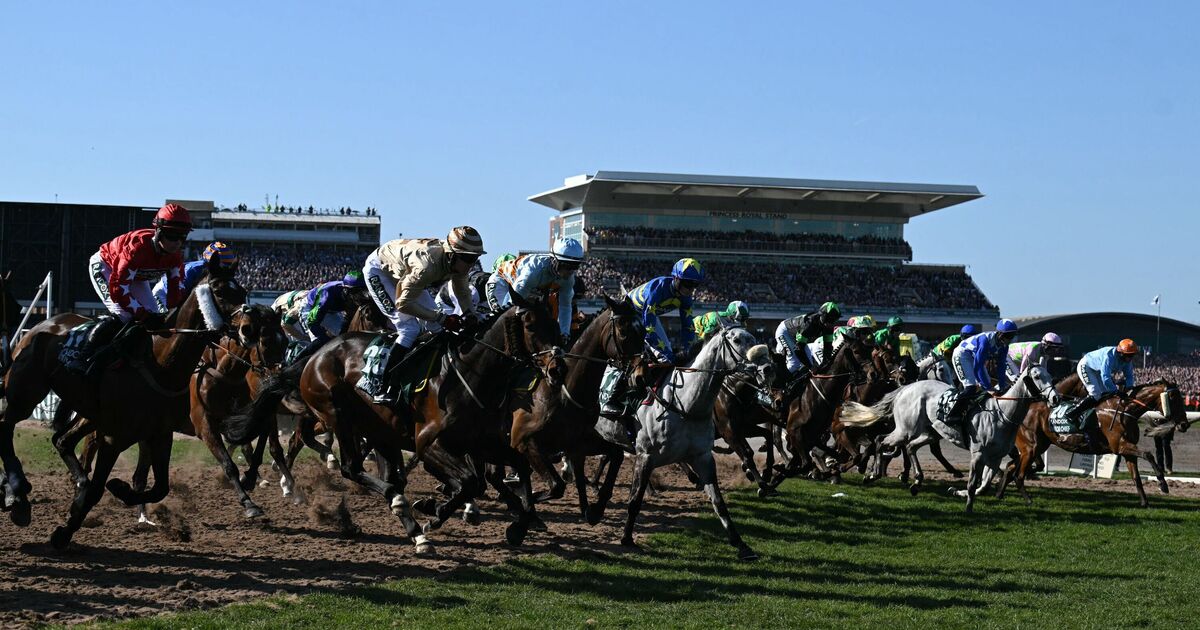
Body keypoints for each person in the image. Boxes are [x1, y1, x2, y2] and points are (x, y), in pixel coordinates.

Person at [363, 226, 486, 404]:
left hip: (406, 272)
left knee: (435, 327)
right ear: (451, 255)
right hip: (380, 271)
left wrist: (470, 314)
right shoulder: (426, 266)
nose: (471, 264)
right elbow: (403, 304)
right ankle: (385, 385)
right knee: (409, 329)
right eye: (467, 258)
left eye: (475, 258)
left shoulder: (456, 263)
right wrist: (441, 317)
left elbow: (462, 292)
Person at [484, 237, 584, 343]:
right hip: (502, 283)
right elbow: (510, 306)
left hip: (523, 289)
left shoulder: (568, 279)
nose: (570, 272)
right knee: (503, 323)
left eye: (575, 266)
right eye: (566, 266)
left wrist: (565, 333)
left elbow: (565, 306)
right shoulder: (533, 273)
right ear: (554, 260)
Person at [629, 258, 704, 364]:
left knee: (667, 349)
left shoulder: (686, 298)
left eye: (695, 285)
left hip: (646, 314)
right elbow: (648, 328)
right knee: (664, 355)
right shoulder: (657, 290)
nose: (691, 289)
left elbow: (688, 327)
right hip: (629, 310)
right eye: (688, 284)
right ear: (676, 278)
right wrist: (667, 354)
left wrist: (689, 353)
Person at [945, 319, 1019, 425]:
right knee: (971, 387)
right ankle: (952, 415)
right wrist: (988, 388)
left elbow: (1001, 367)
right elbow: (978, 366)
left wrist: (1002, 386)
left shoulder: (1004, 346)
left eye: (1012, 335)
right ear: (1000, 334)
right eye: (1009, 335)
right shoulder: (985, 341)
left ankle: (975, 409)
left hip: (973, 357)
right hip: (962, 355)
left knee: (989, 384)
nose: (1010, 338)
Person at [1065, 339, 1139, 422]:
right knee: (1096, 394)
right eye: (1128, 355)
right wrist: (1116, 391)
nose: (1130, 358)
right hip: (1086, 366)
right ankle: (1071, 414)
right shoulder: (1109, 356)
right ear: (1120, 353)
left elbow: (1129, 376)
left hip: (1098, 371)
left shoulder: (1127, 361)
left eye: (1132, 355)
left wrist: (1129, 388)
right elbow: (1105, 377)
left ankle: (1094, 416)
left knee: (1106, 394)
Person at [152, 241, 237, 310]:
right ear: (212, 261)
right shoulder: (193, 270)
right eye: (224, 264)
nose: (226, 267)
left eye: (228, 264)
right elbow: (179, 297)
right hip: (164, 294)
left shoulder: (216, 272)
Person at [299, 270, 369, 344]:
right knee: (320, 342)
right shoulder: (327, 295)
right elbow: (312, 321)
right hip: (310, 308)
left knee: (343, 335)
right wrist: (324, 338)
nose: (361, 296)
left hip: (331, 310)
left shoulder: (351, 294)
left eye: (363, 291)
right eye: (357, 292)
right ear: (346, 290)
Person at [774, 302, 841, 377]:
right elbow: (798, 350)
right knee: (795, 364)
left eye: (835, 320)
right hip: (785, 332)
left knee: (809, 363)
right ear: (823, 315)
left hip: (796, 338)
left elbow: (828, 347)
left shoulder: (828, 327)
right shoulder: (810, 324)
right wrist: (811, 367)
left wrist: (825, 364)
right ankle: (779, 381)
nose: (832, 323)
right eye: (830, 319)